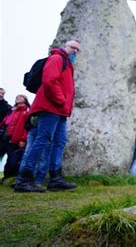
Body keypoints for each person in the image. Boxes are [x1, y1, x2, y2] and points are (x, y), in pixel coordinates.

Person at [14, 40, 81, 192]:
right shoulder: (57, 58)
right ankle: (24, 179)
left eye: (78, 50)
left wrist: (64, 105)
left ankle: (55, 179)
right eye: (73, 48)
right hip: (50, 107)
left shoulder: (67, 64)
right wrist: (61, 100)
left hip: (60, 111)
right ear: (65, 46)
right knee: (42, 141)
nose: (75, 52)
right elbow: (50, 81)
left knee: (60, 142)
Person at [1, 95, 30, 181]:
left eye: (20, 97)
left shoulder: (27, 111)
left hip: (17, 138)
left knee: (14, 158)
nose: (17, 98)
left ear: (25, 100)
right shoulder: (12, 111)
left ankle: (12, 178)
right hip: (7, 137)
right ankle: (6, 177)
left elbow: (26, 126)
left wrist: (23, 139)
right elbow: (6, 122)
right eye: (16, 97)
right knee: (9, 157)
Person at [0, 88, 12, 160]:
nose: (1, 95)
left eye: (3, 93)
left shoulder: (7, 106)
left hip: (2, 131)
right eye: (0, 93)